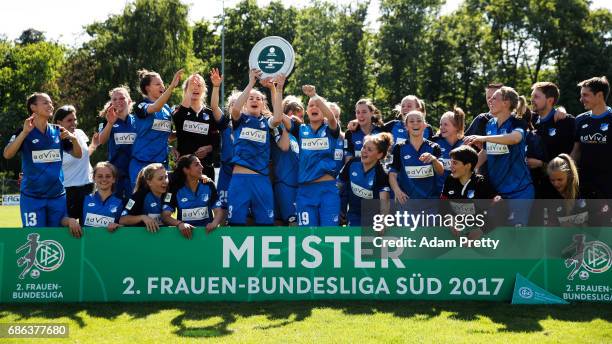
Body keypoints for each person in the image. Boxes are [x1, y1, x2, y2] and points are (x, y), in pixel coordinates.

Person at [3, 93, 82, 230]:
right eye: (45, 103)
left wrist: (73, 139)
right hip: (32, 197)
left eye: (51, 103)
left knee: (56, 240)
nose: (50, 105)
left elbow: (78, 154)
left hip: (57, 197)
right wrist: (24, 133)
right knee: (35, 238)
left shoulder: (58, 131)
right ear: (33, 107)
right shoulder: (23, 130)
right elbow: (7, 154)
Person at [464, 86, 534, 226]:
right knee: (496, 234)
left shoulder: (517, 121)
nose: (490, 100)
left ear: (506, 103)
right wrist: (468, 171)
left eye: (494, 98)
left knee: (516, 236)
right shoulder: (490, 123)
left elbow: (515, 138)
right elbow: (486, 152)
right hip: (496, 192)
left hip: (518, 191)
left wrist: (484, 138)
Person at [227, 68, 283, 225]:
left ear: (263, 104)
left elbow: (278, 117)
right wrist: (251, 82)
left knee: (265, 224)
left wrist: (275, 88)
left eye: (258, 98)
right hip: (240, 179)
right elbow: (236, 109)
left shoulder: (266, 123)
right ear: (246, 102)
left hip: (261, 179)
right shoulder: (240, 119)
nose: (254, 100)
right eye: (251, 98)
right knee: (236, 224)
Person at [283, 85, 341, 226]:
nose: (314, 107)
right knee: (307, 237)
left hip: (327, 190)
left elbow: (332, 117)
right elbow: (278, 116)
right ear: (307, 111)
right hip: (305, 191)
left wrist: (314, 96)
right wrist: (276, 90)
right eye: (310, 105)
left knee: (329, 236)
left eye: (318, 106)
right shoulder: (300, 130)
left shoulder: (331, 129)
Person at [129, 69, 184, 189]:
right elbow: (155, 107)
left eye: (163, 83)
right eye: (158, 84)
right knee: (140, 204)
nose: (162, 86)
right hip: (141, 164)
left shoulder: (166, 109)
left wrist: (172, 146)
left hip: (161, 165)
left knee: (160, 205)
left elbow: (166, 136)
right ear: (148, 88)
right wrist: (172, 87)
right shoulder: (141, 105)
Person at [172, 70, 224, 180]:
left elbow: (217, 141)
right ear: (185, 90)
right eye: (192, 85)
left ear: (204, 90)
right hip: (184, 168)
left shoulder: (210, 113)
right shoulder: (178, 110)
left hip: (206, 168)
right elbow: (177, 119)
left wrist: (208, 148)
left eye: (199, 85)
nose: (195, 88)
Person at [441, 145, 500, 237]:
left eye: (455, 163)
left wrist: (482, 230)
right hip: (457, 234)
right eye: (451, 162)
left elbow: (497, 208)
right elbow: (444, 205)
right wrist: (450, 219)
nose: (450, 166)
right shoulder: (449, 180)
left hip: (481, 234)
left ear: (468, 166)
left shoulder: (481, 183)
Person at [389, 110, 444, 204]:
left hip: (430, 202)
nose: (415, 123)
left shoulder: (434, 147)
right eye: (411, 121)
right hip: (407, 202)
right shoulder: (399, 148)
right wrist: (397, 191)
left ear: (425, 125)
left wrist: (434, 160)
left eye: (419, 121)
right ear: (406, 126)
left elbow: (441, 171)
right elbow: (392, 174)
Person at [162, 155, 223, 238]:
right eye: (197, 164)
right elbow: (165, 216)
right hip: (185, 236)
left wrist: (214, 223)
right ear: (186, 170)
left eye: (201, 164)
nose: (201, 167)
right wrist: (179, 224)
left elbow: (218, 210)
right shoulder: (175, 189)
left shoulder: (208, 184)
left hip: (207, 234)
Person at [53, 105, 96, 223]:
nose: (74, 123)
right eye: (69, 120)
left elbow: (83, 156)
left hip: (88, 186)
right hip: (67, 190)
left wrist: (94, 145)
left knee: (87, 226)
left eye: (75, 119)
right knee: (66, 229)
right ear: (59, 122)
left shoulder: (80, 133)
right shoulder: (53, 140)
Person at [338, 133, 392, 226]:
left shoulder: (381, 174)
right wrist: (336, 209)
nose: (364, 151)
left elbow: (384, 200)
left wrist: (383, 221)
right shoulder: (352, 163)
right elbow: (339, 185)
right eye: (364, 147)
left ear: (379, 155)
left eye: (369, 150)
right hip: (353, 214)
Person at [571, 76, 612, 199]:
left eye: (585, 95)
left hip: (608, 185)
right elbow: (576, 150)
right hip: (585, 185)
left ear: (599, 95)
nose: (581, 99)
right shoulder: (580, 120)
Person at [545, 154, 608, 227]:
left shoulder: (587, 192)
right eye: (552, 180)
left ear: (569, 176)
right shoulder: (548, 195)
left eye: (560, 179)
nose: (556, 183)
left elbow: (601, 215)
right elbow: (548, 223)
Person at [97, 86, 136, 200]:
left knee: (133, 205)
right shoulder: (107, 120)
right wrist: (110, 123)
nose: (118, 101)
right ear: (111, 102)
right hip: (115, 171)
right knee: (115, 205)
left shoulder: (137, 121)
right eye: (114, 99)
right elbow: (101, 141)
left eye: (122, 98)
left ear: (129, 101)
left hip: (134, 170)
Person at [271, 95, 304, 225]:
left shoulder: (298, 135)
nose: (300, 120)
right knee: (291, 223)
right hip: (284, 184)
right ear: (288, 113)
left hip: (298, 185)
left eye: (302, 117)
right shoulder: (277, 128)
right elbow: (284, 147)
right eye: (298, 116)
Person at [69, 162, 124, 237]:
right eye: (100, 176)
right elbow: (66, 218)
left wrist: (119, 226)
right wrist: (70, 221)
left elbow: (127, 225)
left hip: (111, 243)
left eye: (108, 176)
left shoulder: (122, 201)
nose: (104, 179)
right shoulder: (83, 199)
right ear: (94, 178)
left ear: (113, 179)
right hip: (87, 244)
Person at [119, 163, 169, 232]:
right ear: (149, 182)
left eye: (166, 177)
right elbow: (122, 219)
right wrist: (142, 217)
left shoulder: (168, 194)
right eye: (160, 179)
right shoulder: (139, 196)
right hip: (142, 239)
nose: (165, 181)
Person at [431, 108, 465, 194]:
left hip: (459, 192)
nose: (442, 127)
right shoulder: (434, 142)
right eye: (440, 124)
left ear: (456, 126)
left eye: (446, 124)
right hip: (437, 192)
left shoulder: (465, 144)